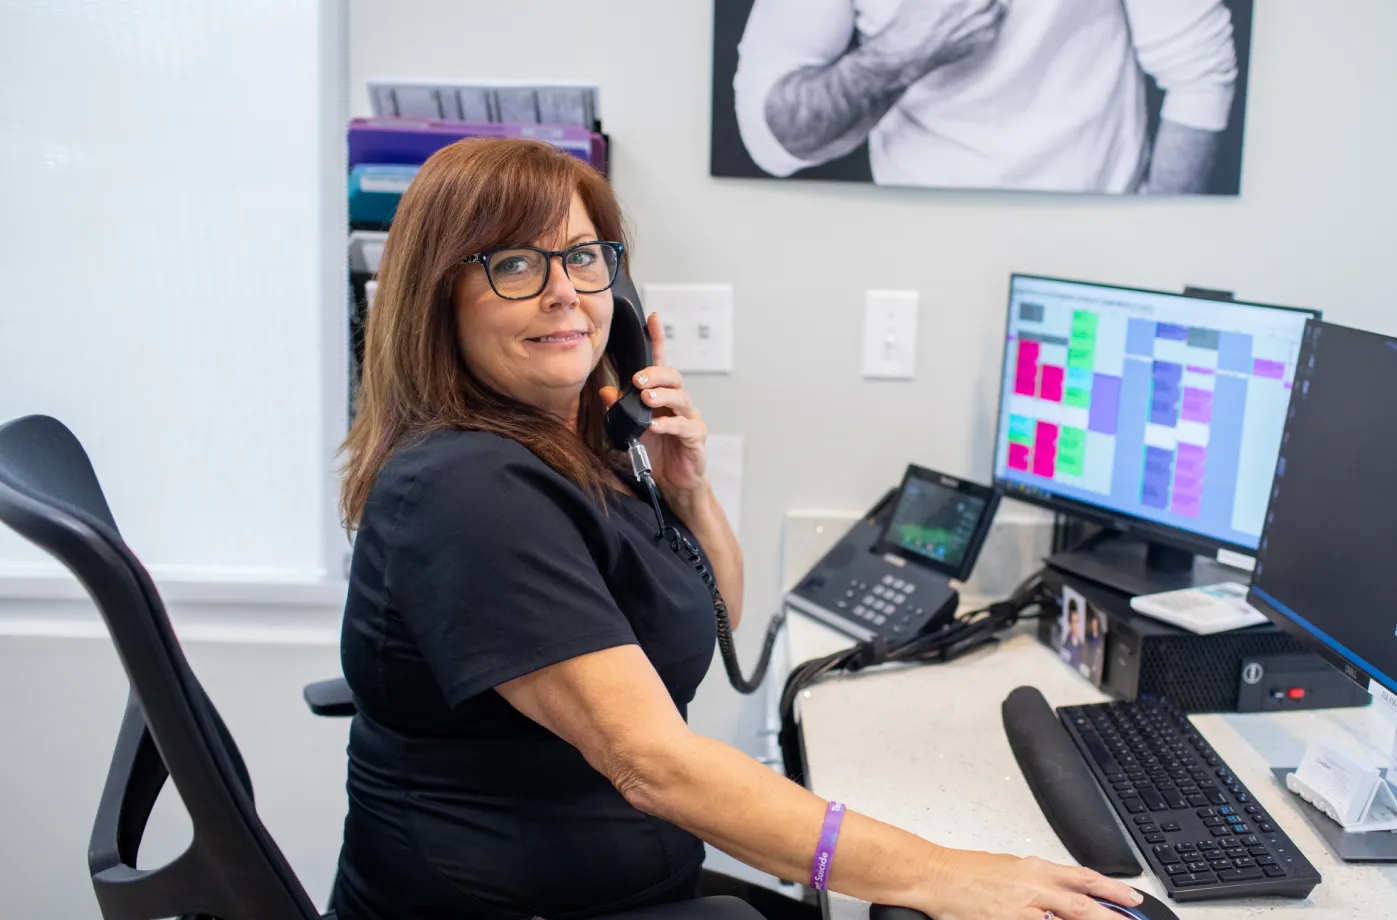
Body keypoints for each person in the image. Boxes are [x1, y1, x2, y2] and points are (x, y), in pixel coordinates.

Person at [333, 137, 1145, 920]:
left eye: (583, 257)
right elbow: (653, 764)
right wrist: (945, 874)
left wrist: (685, 488)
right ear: (437, 299)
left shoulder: (568, 450)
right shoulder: (468, 487)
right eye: (514, 264)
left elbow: (714, 612)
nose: (565, 293)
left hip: (626, 888)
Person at [733, 0, 1239, 193]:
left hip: (1096, 238)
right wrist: (900, 54)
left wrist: (1154, 249)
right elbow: (770, 141)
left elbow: (1200, 79)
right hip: (910, 238)